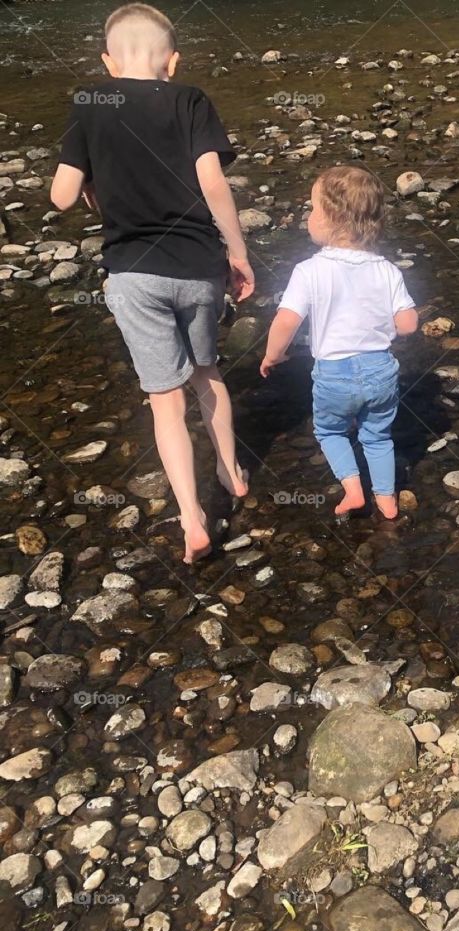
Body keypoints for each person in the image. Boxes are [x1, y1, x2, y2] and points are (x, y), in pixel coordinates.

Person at [50, 2, 254, 563]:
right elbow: (213, 184)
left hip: (134, 273)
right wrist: (237, 253)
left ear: (108, 62)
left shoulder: (90, 101)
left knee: (164, 402)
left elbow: (62, 196)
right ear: (173, 61)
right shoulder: (191, 99)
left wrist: (93, 178)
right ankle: (231, 470)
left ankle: (192, 518)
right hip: (197, 268)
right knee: (207, 375)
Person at [260, 166, 419, 519]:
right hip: (381, 371)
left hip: (334, 375)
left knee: (330, 431)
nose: (309, 215)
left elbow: (286, 320)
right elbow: (408, 324)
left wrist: (273, 355)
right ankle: (387, 500)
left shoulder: (309, 270)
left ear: (331, 217)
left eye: (313, 208)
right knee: (378, 437)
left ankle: (352, 491)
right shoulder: (387, 270)